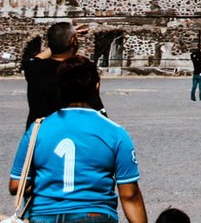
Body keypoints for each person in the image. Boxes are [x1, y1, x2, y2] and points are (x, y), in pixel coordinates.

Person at [9, 56, 147, 223]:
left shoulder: (37, 130)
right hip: (95, 215)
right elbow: (130, 195)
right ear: (96, 86)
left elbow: (16, 185)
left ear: (60, 89)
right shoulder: (115, 133)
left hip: (45, 215)